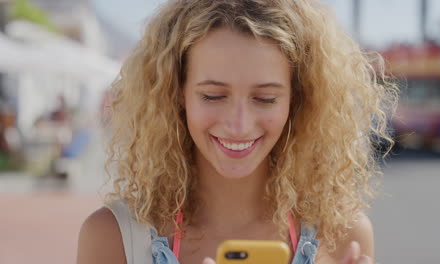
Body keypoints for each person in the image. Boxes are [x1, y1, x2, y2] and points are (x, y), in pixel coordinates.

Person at [77, 0, 398, 264]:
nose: (239, 124)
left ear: (297, 100)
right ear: (177, 93)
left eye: (265, 99)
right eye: (213, 96)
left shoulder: (345, 237)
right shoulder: (113, 238)